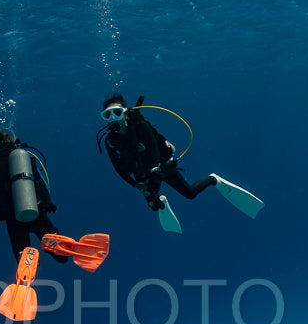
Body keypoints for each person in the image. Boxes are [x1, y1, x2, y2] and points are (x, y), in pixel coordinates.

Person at [98, 94, 263, 232]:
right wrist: (135, 184)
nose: (113, 118)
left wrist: (156, 168)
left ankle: (214, 180)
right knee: (153, 204)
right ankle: (160, 202)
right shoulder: (110, 141)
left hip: (162, 164)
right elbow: (118, 168)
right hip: (144, 172)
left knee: (190, 194)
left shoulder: (139, 126)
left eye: (117, 112)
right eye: (107, 115)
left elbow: (154, 146)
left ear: (125, 113)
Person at [0, 130, 68, 263]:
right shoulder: (26, 159)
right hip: (36, 210)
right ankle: (57, 246)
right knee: (60, 254)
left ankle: (25, 259)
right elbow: (41, 182)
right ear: (14, 144)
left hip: (13, 218)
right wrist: (48, 204)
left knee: (23, 254)